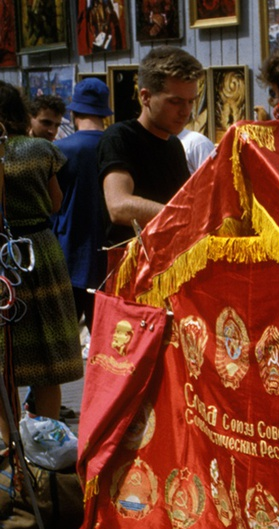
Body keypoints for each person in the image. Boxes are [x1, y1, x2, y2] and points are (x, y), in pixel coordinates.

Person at [0, 83, 83, 447]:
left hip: (3, 255)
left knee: (5, 359)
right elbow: (54, 202)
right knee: (48, 359)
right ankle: (47, 441)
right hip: (39, 253)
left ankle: (9, 445)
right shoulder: (40, 149)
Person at [97, 46, 203, 247]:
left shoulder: (174, 145)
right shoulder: (119, 137)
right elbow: (118, 206)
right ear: (145, 97)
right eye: (175, 102)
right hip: (134, 267)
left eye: (191, 102)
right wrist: (186, 216)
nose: (185, 111)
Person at [53, 77, 113, 333]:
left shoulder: (59, 149)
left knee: (65, 343)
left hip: (70, 254)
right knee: (109, 346)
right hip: (111, 257)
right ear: (105, 113)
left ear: (73, 112)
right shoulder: (116, 146)